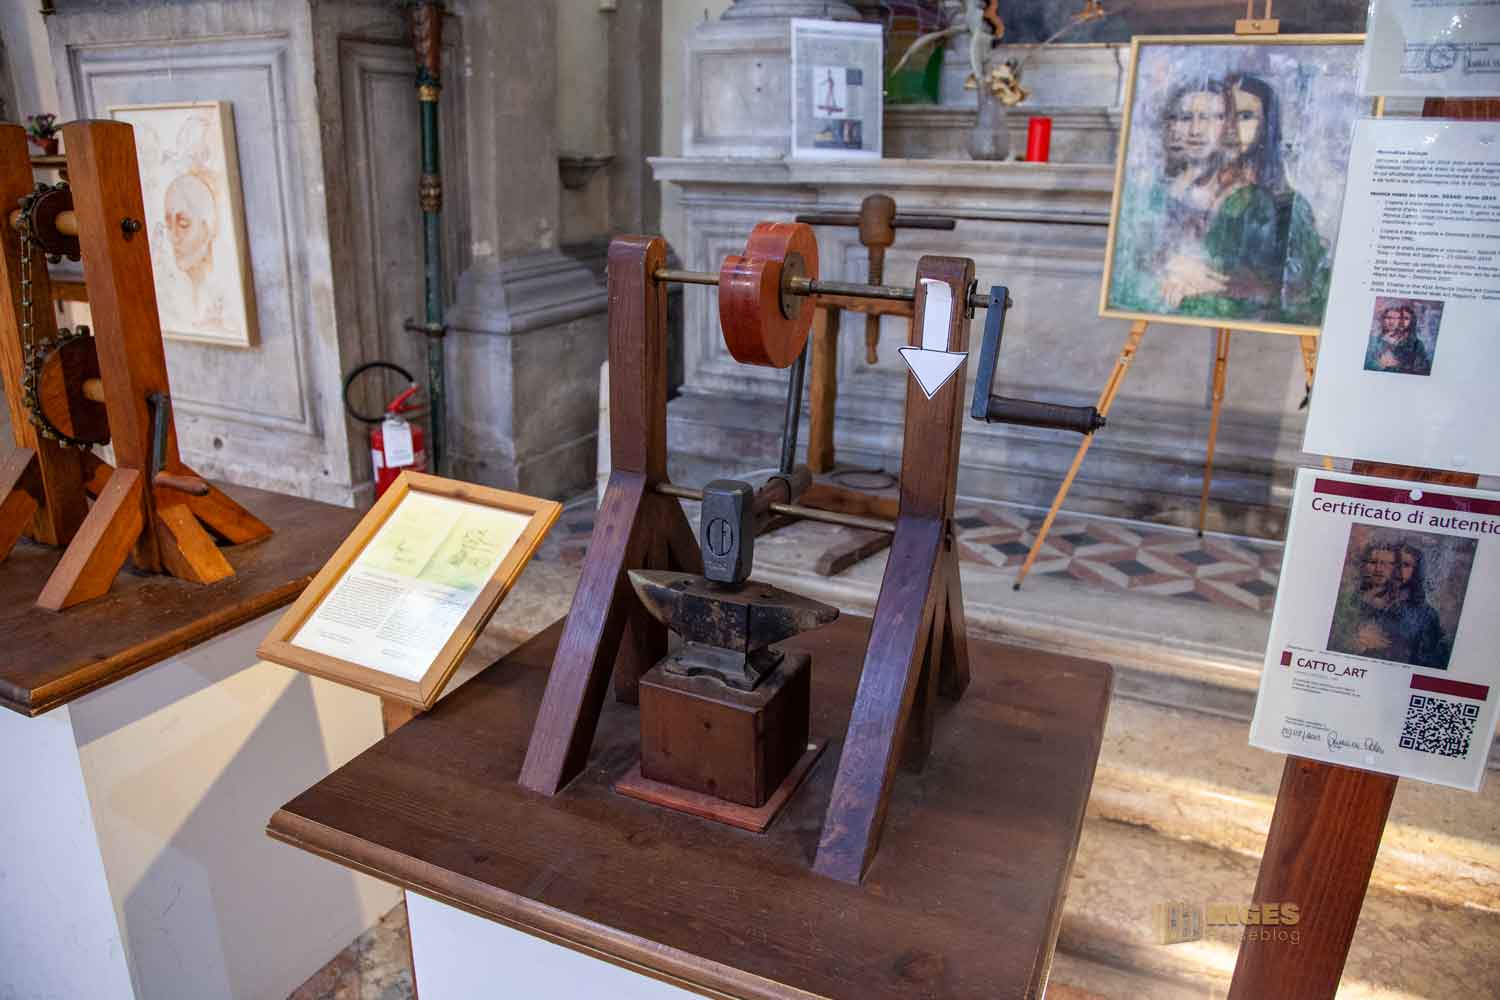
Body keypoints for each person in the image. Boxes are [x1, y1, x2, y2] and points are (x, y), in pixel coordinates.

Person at [1225, 74, 1331, 326]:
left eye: (1245, 116)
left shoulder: (1288, 206)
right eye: (1222, 115)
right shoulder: (1191, 195)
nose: (1230, 127)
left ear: (1266, 126)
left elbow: (1297, 293)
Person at [1328, 540, 1402, 659]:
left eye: (1387, 564)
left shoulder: (1402, 606)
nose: (1379, 569)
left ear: (1395, 568)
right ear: (1363, 565)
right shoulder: (1346, 599)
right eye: (1373, 562)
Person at [1390, 543, 1449, 668]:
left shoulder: (1427, 614)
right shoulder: (1371, 602)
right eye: (1394, 563)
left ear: (1416, 570)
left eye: (1406, 565)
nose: (1399, 570)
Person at [1365, 303, 1432, 375]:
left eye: (1406, 318)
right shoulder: (1381, 339)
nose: (1402, 321)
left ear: (1412, 321)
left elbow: (1422, 369)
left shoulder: (1417, 344)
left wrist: (1398, 365)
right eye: (1400, 318)